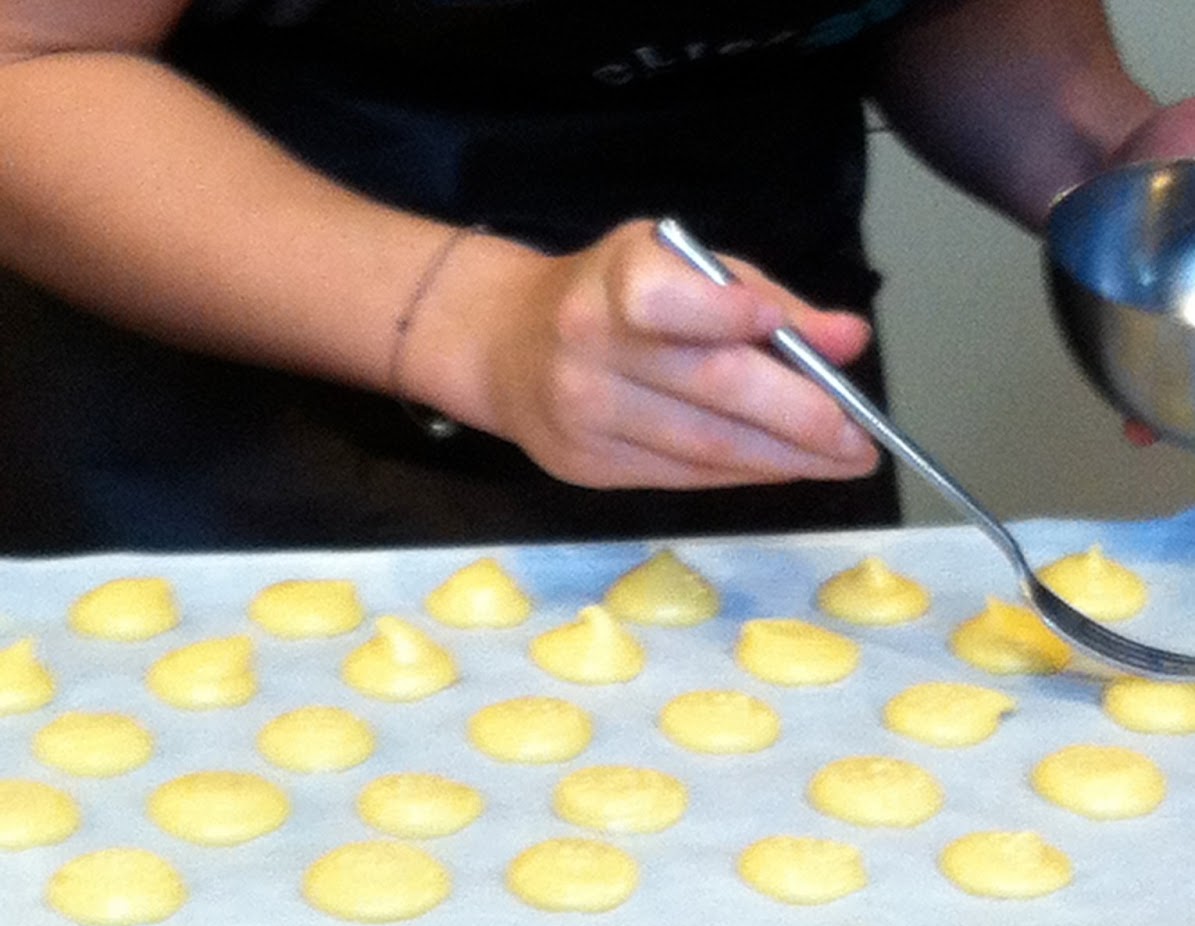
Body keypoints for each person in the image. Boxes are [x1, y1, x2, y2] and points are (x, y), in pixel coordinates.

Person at [0, 0, 1191, 552]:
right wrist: (479, 323)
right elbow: (27, 58)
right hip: (239, 420)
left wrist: (1114, 177)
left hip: (746, 386)